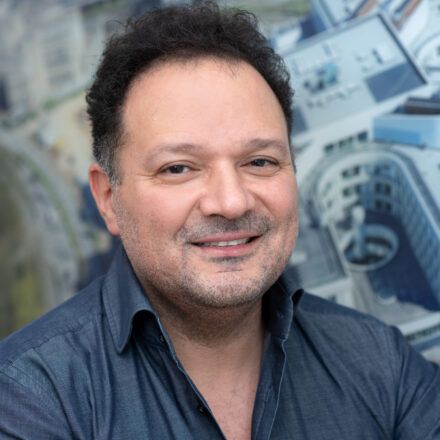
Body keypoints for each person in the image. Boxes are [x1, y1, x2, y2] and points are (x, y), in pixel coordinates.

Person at [0, 2, 439, 439]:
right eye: (178, 168)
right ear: (109, 199)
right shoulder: (29, 397)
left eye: (260, 161)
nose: (231, 202)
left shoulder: (382, 366)